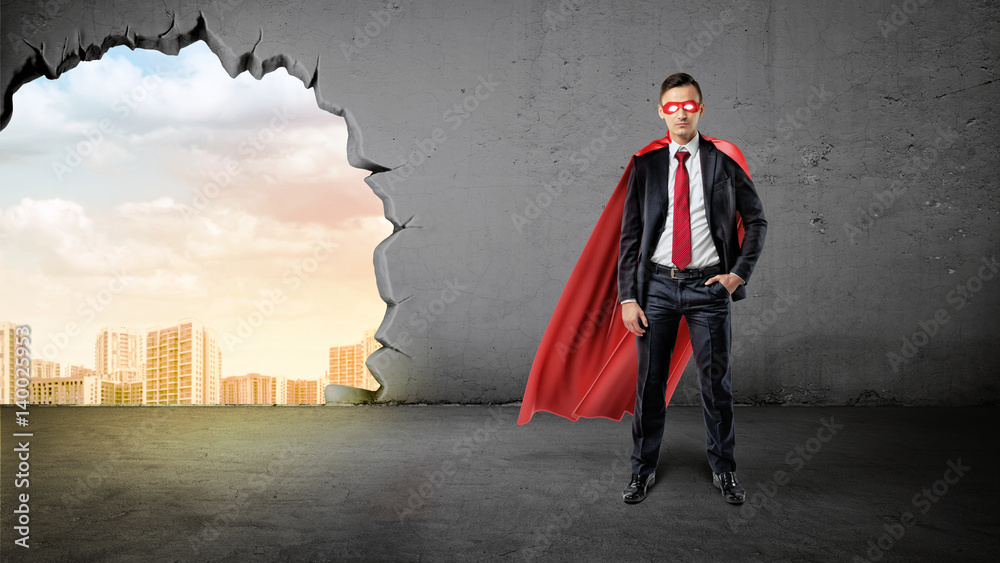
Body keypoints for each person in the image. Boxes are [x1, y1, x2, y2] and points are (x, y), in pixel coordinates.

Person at [618, 72, 767, 504]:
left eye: (688, 104)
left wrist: (738, 273)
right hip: (657, 289)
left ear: (701, 108)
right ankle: (641, 471)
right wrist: (628, 297)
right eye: (671, 106)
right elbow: (629, 238)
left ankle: (725, 469)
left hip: (709, 288)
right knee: (649, 385)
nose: (680, 112)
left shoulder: (724, 161)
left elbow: (755, 220)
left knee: (715, 384)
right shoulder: (645, 165)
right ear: (661, 112)